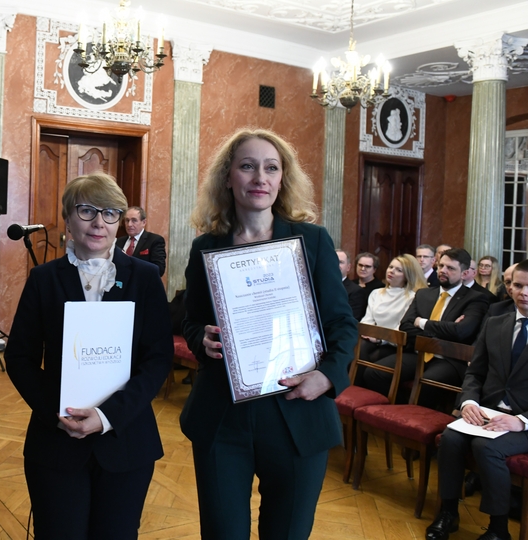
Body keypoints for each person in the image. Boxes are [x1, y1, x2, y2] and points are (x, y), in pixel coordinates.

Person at [180, 128, 357, 539]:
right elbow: (190, 320)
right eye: (247, 166)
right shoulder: (206, 246)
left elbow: (342, 322)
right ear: (228, 177)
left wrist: (327, 375)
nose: (260, 177)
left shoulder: (312, 241)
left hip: (297, 412)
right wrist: (200, 341)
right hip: (224, 417)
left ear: (282, 179)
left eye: (271, 168)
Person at [5, 172, 173, 539]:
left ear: (120, 223)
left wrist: (107, 416)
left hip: (127, 440)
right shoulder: (44, 279)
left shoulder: (144, 278)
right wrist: (59, 411)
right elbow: (19, 357)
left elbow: (157, 358)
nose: (99, 222)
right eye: (87, 211)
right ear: (67, 218)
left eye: (111, 213)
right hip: (57, 440)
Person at [425, 259, 528, 540]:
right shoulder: (496, 322)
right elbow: (475, 372)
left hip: (523, 421)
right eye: (518, 285)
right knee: (451, 438)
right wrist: (468, 402)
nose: (524, 292)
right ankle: (448, 513)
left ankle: (498, 529)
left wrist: (520, 421)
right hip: (487, 411)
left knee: (485, 448)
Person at [362, 248, 489, 407]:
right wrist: (443, 332)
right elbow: (406, 326)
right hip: (418, 353)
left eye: (450, 268)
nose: (443, 271)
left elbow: (461, 331)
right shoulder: (424, 294)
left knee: (427, 383)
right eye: (441, 266)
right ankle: (400, 411)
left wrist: (422, 322)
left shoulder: (476, 299)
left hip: (448, 359)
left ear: (464, 274)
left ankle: (417, 421)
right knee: (374, 373)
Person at [356, 254, 427, 366]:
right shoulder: (376, 293)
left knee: (366, 357)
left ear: (407, 276)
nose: (391, 271)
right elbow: (367, 320)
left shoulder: (412, 297)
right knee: (355, 349)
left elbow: (401, 327)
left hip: (393, 343)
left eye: (398, 270)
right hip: (372, 338)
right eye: (391, 267)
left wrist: (380, 339)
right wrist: (368, 334)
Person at [115, 206, 167, 276]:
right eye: (127, 220)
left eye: (134, 220)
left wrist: (131, 263)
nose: (129, 224)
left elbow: (159, 269)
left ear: (144, 222)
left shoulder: (155, 240)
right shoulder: (118, 241)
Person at [338, 249, 367, 320]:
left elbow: (350, 319)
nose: (336, 264)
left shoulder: (356, 291)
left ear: (348, 267)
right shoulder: (317, 285)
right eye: (333, 260)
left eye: (340, 262)